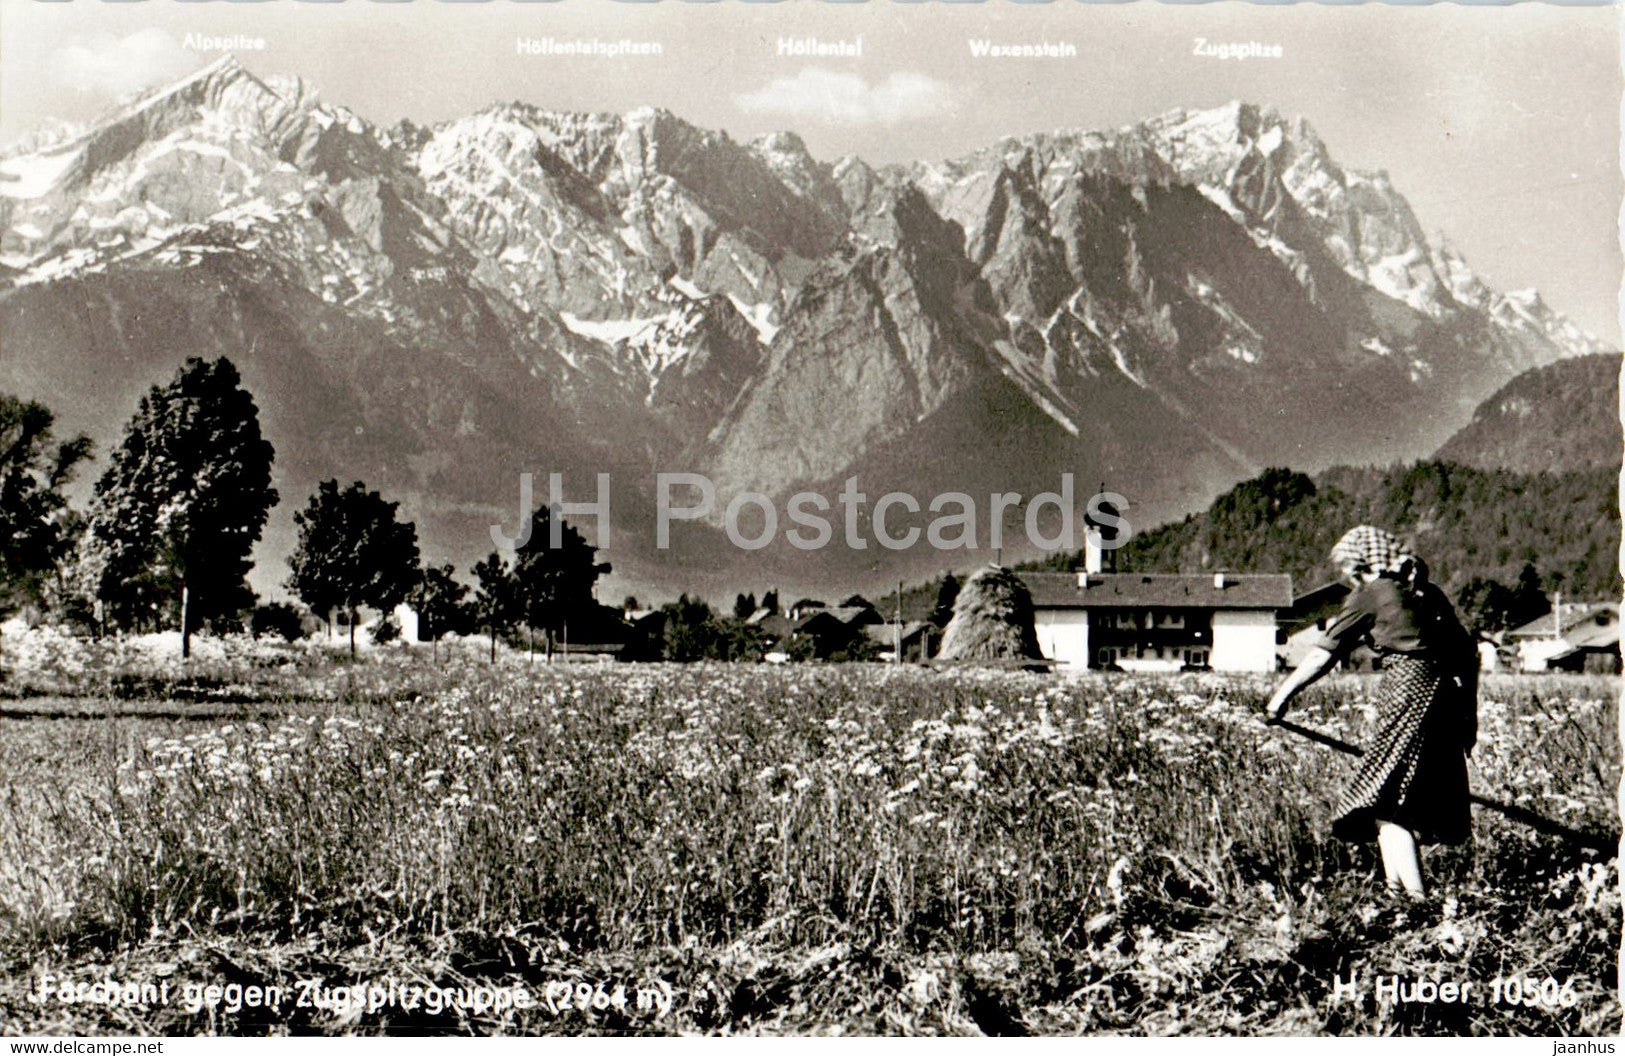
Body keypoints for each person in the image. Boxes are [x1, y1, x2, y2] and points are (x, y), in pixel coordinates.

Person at [1265, 525, 1478, 899]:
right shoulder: (1429, 593)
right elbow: (1467, 657)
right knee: (1394, 804)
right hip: (1449, 699)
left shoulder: (1372, 594)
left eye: (1349, 567)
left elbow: (1322, 655)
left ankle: (1417, 903)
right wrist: (1468, 719)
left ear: (1360, 563)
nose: (1348, 575)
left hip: (1408, 692)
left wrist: (1280, 697)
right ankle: (1398, 899)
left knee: (1388, 806)